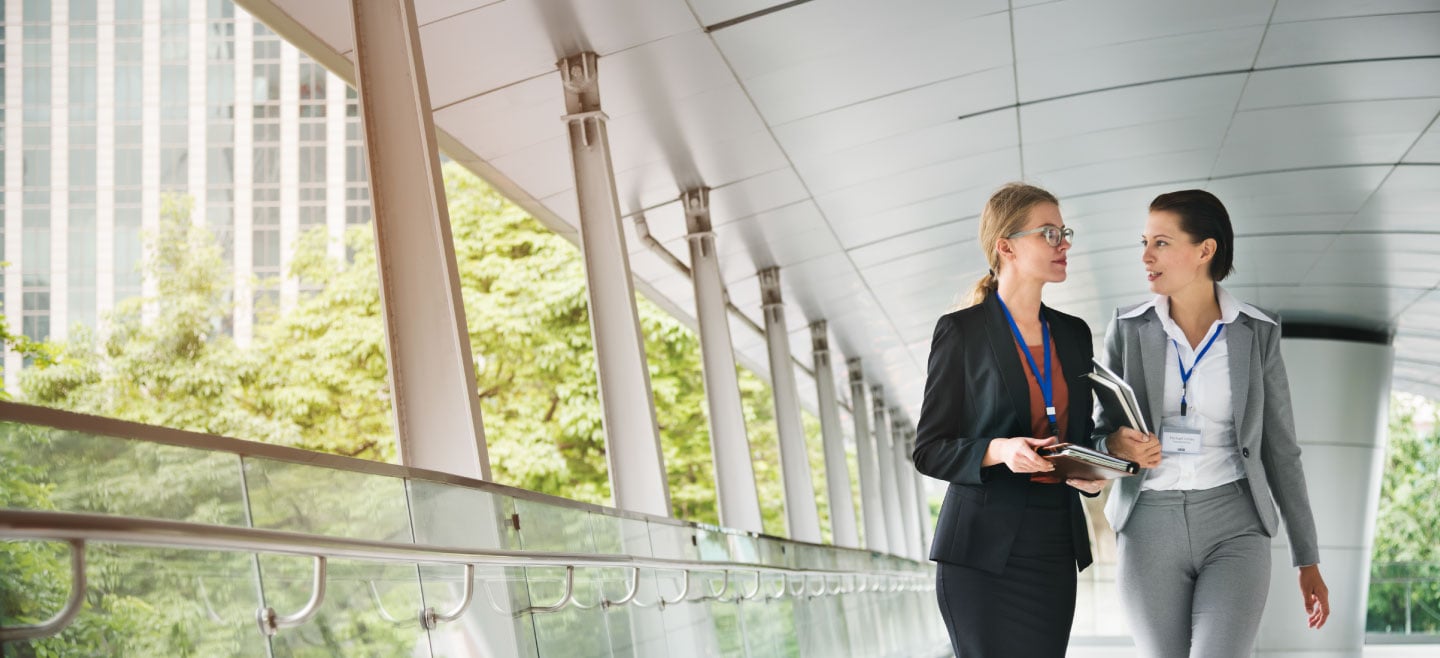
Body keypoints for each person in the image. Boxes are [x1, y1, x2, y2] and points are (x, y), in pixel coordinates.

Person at [1096, 189, 1331, 657]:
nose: (1146, 256)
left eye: (1161, 243)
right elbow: (1099, 435)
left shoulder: (1258, 332)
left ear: (1205, 250)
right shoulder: (1127, 327)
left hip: (1235, 524)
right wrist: (1118, 446)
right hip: (1148, 524)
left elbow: (1281, 449)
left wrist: (1307, 558)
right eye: (1144, 242)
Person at [913, 182, 1106, 658]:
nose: (1063, 244)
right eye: (1049, 233)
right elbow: (929, 450)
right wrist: (1000, 450)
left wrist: (1095, 470)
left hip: (1054, 545)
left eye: (1064, 233)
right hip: (979, 553)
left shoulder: (1074, 334)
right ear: (1006, 246)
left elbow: (1080, 436)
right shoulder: (961, 333)